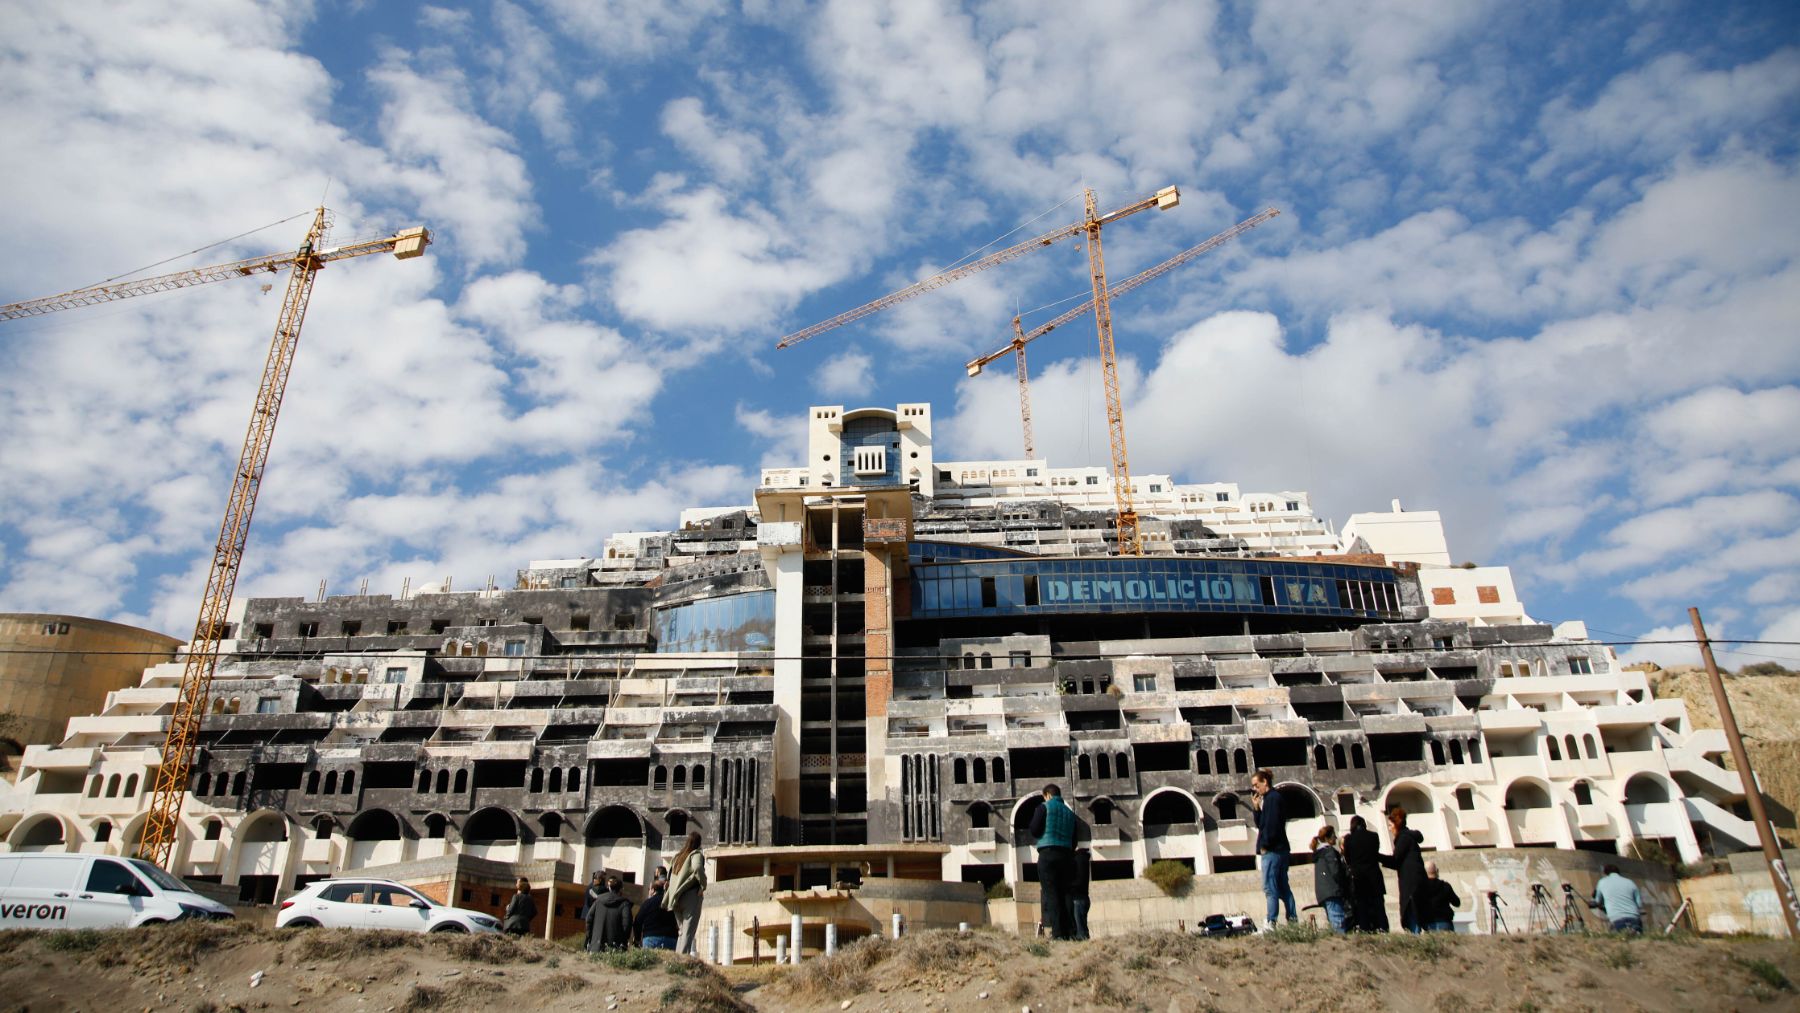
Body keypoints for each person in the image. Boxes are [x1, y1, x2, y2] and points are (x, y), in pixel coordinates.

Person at [1027, 783, 1077, 940]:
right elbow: (1074, 840)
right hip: (1067, 856)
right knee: (1067, 894)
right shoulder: (1070, 813)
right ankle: (1071, 932)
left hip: (1048, 854)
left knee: (1051, 893)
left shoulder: (1043, 807)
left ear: (1047, 795)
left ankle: (1057, 934)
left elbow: (1034, 829)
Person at [1250, 769, 1296, 929]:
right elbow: (1262, 824)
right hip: (1279, 848)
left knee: (1270, 887)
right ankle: (1293, 921)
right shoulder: (1269, 800)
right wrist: (1256, 809)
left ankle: (1271, 921)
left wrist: (1265, 846)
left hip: (1273, 850)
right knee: (1283, 887)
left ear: (1265, 782)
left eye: (1256, 785)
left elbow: (1272, 826)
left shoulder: (1273, 799)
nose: (1255, 789)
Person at [1381, 806, 1428, 933]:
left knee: (1411, 913)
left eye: (1390, 825)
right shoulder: (1409, 838)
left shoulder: (1403, 839)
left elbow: (1395, 860)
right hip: (1416, 882)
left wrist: (1377, 856)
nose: (1390, 829)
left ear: (1397, 824)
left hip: (1410, 884)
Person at [1342, 815, 1388, 932]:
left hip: (1359, 878)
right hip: (1374, 876)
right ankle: (1382, 927)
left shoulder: (1349, 839)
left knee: (1362, 905)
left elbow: (1348, 859)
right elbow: (1375, 853)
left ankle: (1365, 928)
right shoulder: (1374, 836)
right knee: (1379, 905)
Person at [666, 830, 708, 955]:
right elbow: (697, 868)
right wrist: (703, 884)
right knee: (688, 931)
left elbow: (670, 875)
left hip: (675, 897)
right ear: (699, 843)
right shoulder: (696, 854)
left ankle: (677, 958)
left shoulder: (677, 856)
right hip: (690, 895)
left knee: (681, 931)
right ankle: (683, 959)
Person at [1310, 824, 1352, 933]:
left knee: (1333, 921)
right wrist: (1344, 886)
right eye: (1334, 836)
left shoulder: (1319, 854)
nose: (1336, 838)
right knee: (1338, 922)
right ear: (1327, 838)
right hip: (1333, 891)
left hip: (1323, 893)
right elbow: (1336, 872)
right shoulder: (1329, 852)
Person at [1587, 865, 1644, 933]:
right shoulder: (1630, 882)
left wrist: (1592, 903)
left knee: (1619, 940)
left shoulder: (1602, 882)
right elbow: (1639, 904)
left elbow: (1597, 902)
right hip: (1634, 918)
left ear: (1605, 873)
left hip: (1616, 919)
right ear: (1618, 872)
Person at [586, 874, 634, 952]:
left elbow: (588, 919)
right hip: (615, 949)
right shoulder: (624, 904)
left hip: (596, 947)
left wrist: (591, 937)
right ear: (621, 889)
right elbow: (627, 924)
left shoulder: (598, 901)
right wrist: (623, 940)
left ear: (609, 888)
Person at [634, 870, 680, 950]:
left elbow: (638, 921)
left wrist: (637, 939)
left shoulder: (647, 903)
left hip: (651, 939)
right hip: (670, 938)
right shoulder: (671, 902)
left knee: (650, 962)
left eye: (649, 889)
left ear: (653, 890)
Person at [1415, 861, 1461, 932]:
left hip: (1428, 924)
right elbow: (1457, 903)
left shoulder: (1420, 888)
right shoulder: (1445, 886)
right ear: (1437, 871)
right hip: (1445, 922)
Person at [579, 871, 606, 949]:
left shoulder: (591, 886)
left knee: (589, 934)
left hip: (590, 913)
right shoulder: (596, 888)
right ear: (600, 879)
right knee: (591, 934)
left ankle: (587, 948)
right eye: (603, 878)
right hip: (592, 914)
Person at [1070, 847, 1092, 941]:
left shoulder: (1079, 860)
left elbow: (1079, 882)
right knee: (1081, 929)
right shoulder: (1082, 859)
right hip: (1082, 898)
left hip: (1079, 899)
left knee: (1081, 932)